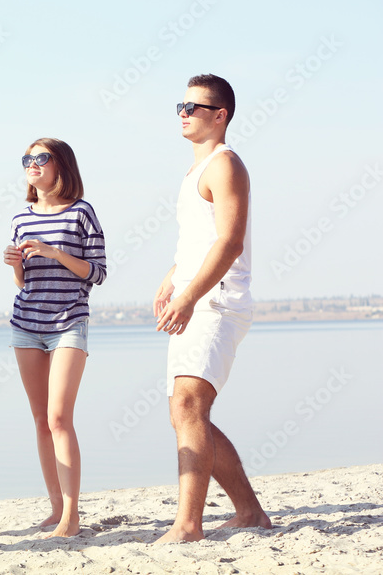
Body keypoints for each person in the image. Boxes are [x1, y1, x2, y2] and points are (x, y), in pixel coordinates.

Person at [153, 74, 272, 543]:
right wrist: (172, 278)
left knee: (188, 404)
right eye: (179, 106)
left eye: (194, 107)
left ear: (220, 115)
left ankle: (188, 524)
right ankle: (248, 513)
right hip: (196, 296)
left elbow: (229, 242)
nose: (183, 113)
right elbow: (198, 239)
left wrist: (189, 295)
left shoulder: (226, 165)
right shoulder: (194, 171)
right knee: (185, 412)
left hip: (217, 300)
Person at [3, 138, 106, 537]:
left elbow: (96, 273)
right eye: (27, 159)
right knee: (40, 420)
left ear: (61, 165)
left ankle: (72, 516)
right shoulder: (20, 218)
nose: (32, 164)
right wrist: (15, 264)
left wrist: (55, 252)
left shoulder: (82, 212)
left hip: (68, 323)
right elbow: (22, 281)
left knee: (59, 417)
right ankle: (55, 508)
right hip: (26, 324)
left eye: (40, 158)